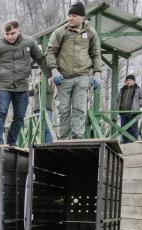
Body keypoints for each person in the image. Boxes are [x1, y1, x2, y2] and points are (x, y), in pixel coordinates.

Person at [0, 20, 48, 146]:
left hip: (22, 86)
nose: (10, 37)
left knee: (19, 117)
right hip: (3, 86)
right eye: (7, 34)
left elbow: (40, 58)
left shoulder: (29, 42)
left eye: (12, 33)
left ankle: (11, 143)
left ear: (18, 30)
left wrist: (49, 75)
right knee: (1, 113)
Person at [46, 1, 102, 140]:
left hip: (82, 76)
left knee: (79, 108)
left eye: (74, 15)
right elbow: (50, 52)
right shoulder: (60, 32)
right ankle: (64, 138)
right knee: (63, 109)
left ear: (82, 17)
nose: (70, 18)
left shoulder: (90, 33)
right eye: (69, 15)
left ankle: (78, 138)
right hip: (63, 77)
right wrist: (54, 70)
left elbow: (95, 53)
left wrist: (97, 73)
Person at [117, 74, 142, 143]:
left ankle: (134, 144)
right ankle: (125, 144)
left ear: (134, 81)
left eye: (130, 80)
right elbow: (118, 99)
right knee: (124, 129)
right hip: (123, 113)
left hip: (133, 113)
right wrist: (118, 107)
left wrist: (138, 104)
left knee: (133, 130)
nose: (128, 81)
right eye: (127, 80)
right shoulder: (122, 89)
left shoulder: (138, 89)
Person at [29, 75, 55, 143]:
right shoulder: (37, 85)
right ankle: (40, 143)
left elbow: (49, 90)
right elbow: (31, 93)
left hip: (46, 108)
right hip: (37, 109)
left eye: (41, 76)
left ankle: (48, 144)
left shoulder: (49, 83)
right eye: (39, 76)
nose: (40, 77)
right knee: (39, 129)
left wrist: (38, 84)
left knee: (47, 128)